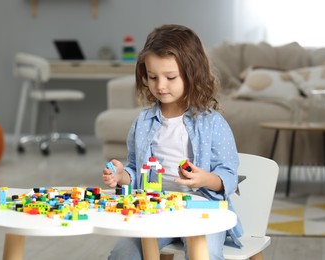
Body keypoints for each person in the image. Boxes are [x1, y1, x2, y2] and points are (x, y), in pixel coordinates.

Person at [102, 24, 243, 260]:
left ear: (192, 73)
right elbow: (136, 170)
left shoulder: (212, 122)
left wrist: (204, 179)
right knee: (122, 254)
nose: (160, 86)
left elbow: (229, 174)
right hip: (153, 209)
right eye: (152, 77)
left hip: (201, 210)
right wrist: (121, 176)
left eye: (170, 77)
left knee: (204, 255)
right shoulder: (143, 121)